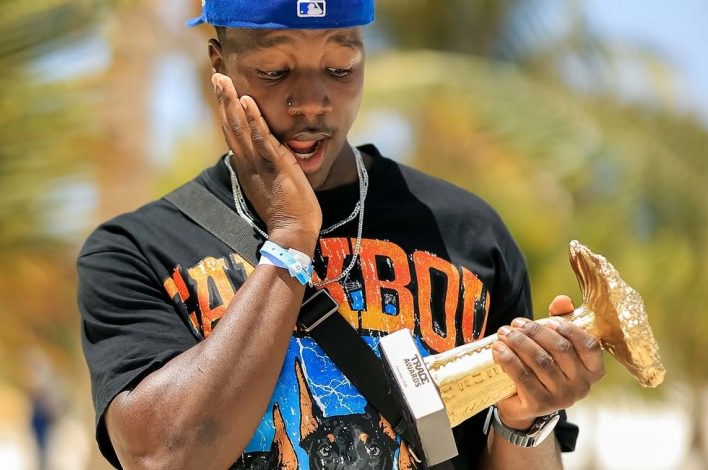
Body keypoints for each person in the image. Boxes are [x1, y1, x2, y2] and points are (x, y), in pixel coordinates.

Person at [77, 1, 605, 468]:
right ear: (220, 67)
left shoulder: (466, 233)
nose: (312, 101)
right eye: (274, 70)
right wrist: (290, 239)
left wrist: (525, 419)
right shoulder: (137, 251)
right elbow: (163, 458)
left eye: (339, 67)